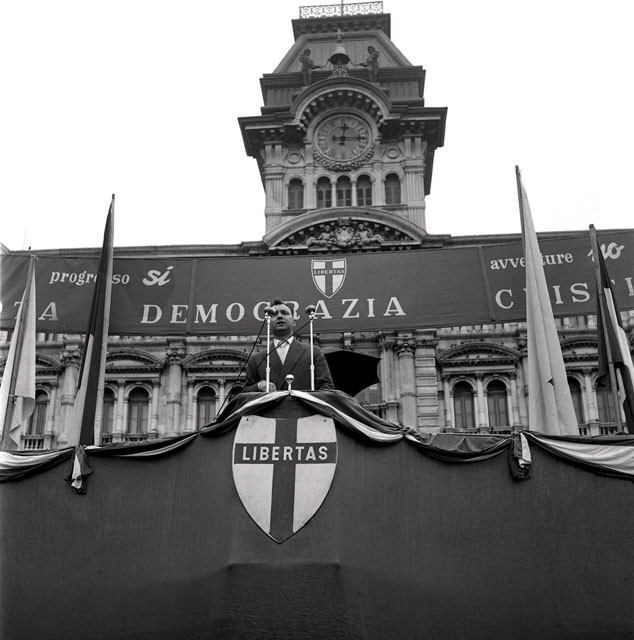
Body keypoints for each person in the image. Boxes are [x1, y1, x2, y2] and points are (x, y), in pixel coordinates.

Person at [243, 298, 334, 392]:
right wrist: (258, 386)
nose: (279, 316)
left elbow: (327, 388)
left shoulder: (312, 353)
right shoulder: (256, 359)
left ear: (294, 322)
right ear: (268, 324)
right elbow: (244, 393)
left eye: (284, 313)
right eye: (274, 314)